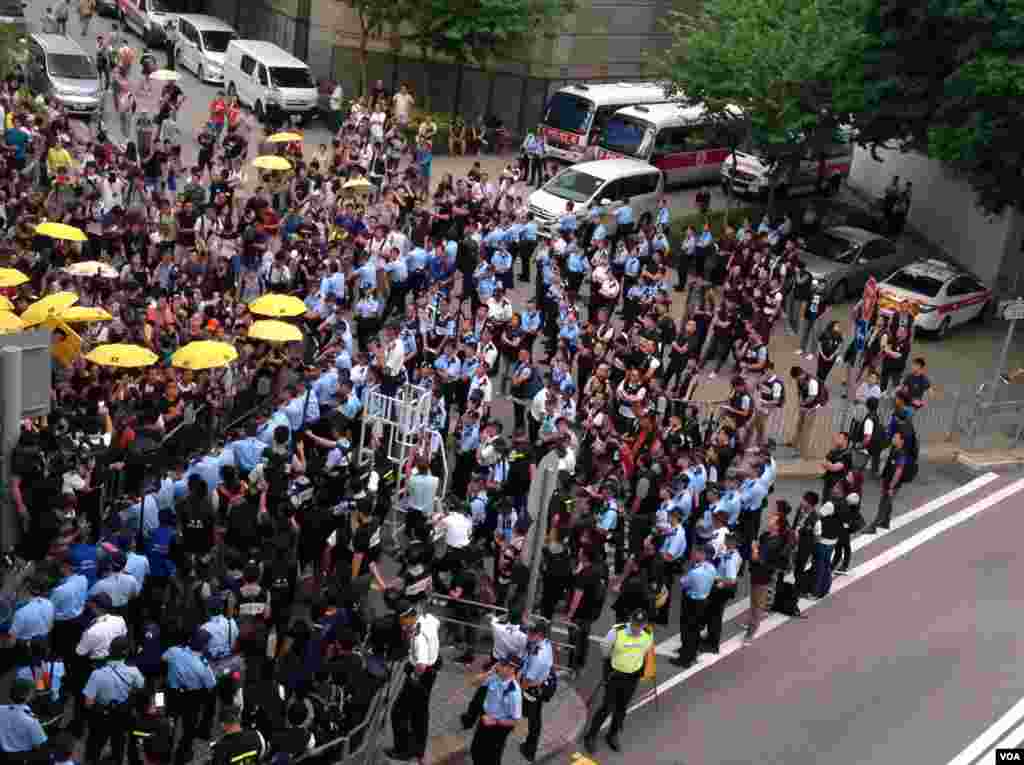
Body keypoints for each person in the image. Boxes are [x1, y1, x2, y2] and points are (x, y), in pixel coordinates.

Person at [584, 609, 654, 754]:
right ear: (630, 620)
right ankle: (591, 736)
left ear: (645, 624)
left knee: (622, 708)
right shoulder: (616, 632)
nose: (636, 628)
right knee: (606, 707)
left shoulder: (647, 635)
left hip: (632, 677)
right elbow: (605, 650)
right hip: (615, 675)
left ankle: (613, 734)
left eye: (640, 625)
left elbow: (645, 652)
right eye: (635, 624)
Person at [386, 602, 440, 763]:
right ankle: (418, 749)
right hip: (432, 670)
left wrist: (414, 678)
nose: (401, 624)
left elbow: (421, 665)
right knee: (420, 714)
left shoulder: (418, 637)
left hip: (421, 675)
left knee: (398, 713)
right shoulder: (428, 619)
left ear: (407, 618)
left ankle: (403, 750)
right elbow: (437, 623)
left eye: (401, 621)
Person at [83, 636, 145, 765]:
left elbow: (88, 703)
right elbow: (141, 686)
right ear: (126, 652)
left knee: (95, 744)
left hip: (101, 717)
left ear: (110, 650)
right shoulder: (133, 671)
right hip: (121, 716)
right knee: (119, 743)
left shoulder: (96, 673)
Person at [470, 655, 523, 764]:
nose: (498, 665)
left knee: (491, 758)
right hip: (485, 718)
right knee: (475, 751)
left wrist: (495, 721)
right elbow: (473, 682)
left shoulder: (514, 693)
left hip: (498, 727)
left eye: (502, 664)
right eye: (500, 663)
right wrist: (489, 672)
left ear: (511, 669)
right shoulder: (495, 676)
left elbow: (515, 721)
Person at [672, 544, 715, 668]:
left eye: (698, 552)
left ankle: (684, 659)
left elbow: (683, 583)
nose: (695, 554)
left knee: (687, 630)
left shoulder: (695, 572)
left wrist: (689, 569)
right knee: (696, 630)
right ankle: (692, 654)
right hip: (703, 601)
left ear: (703, 555)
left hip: (691, 602)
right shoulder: (712, 568)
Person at [518, 619, 554, 762]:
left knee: (533, 719)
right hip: (537, 686)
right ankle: (530, 747)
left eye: (530, 632)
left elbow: (527, 681)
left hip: (532, 689)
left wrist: (516, 692)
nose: (527, 634)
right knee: (534, 718)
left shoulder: (539, 657)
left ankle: (530, 750)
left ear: (538, 634)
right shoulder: (544, 643)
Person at [865, 429, 908, 534]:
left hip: (893, 484)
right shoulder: (893, 449)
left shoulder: (901, 454)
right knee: (887, 502)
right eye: (893, 437)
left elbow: (899, 471)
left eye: (895, 438)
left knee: (883, 504)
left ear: (901, 441)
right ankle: (885, 522)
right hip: (887, 481)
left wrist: (892, 487)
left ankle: (873, 526)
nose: (893, 439)